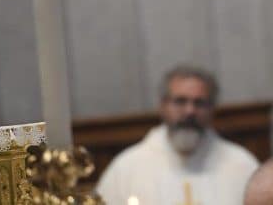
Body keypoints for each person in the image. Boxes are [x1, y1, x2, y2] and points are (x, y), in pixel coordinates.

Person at [96, 64, 259, 204]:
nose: (190, 111)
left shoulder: (241, 165)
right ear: (162, 106)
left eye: (199, 103)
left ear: (212, 108)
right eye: (180, 101)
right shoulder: (127, 168)